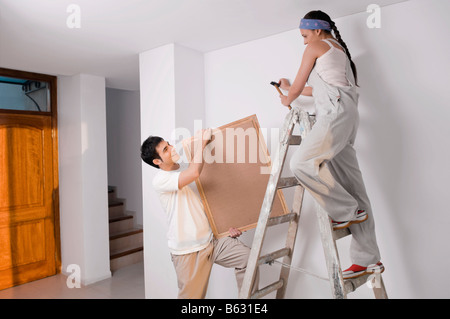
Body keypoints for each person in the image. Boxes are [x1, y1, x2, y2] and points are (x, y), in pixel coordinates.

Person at [278, 10, 384, 279]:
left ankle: (347, 211)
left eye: (304, 35)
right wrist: (290, 88)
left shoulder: (317, 46)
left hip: (334, 115)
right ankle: (368, 260)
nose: (303, 42)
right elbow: (315, 88)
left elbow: (301, 84)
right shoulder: (338, 52)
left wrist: (286, 97)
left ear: (315, 30)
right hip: (347, 116)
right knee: (355, 186)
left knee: (300, 163)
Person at [140, 129, 259, 298]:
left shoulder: (184, 170)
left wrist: (226, 228)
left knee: (249, 258)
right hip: (189, 252)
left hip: (212, 241)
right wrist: (202, 142)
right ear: (157, 161)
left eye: (169, 144)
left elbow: (207, 205)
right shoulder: (161, 180)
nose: (172, 148)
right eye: (166, 149)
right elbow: (194, 172)